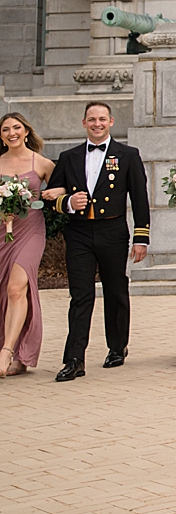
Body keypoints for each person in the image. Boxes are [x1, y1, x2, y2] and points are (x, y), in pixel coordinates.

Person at [45, 101, 150, 382]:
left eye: (102, 119)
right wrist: (68, 202)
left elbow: (140, 199)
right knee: (81, 295)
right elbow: (51, 197)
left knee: (115, 291)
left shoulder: (127, 155)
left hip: (113, 231)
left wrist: (141, 238)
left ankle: (117, 347)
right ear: (83, 123)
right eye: (92, 119)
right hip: (79, 233)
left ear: (111, 122)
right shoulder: (68, 157)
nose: (97, 124)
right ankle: (74, 359)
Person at [0, 113, 54, 377]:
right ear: (1, 136)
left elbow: (57, 196)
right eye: (6, 129)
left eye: (16, 128)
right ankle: (20, 356)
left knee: (16, 288)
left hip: (31, 231)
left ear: (26, 131)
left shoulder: (42, 163)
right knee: (6, 293)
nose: (12, 133)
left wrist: (51, 196)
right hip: (2, 233)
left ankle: (6, 351)